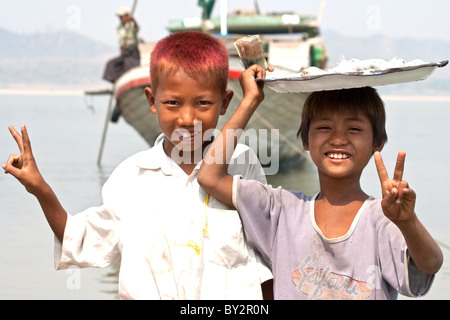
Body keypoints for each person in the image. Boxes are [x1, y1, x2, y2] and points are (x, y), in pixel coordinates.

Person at [2, 32, 273, 300]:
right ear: (151, 101)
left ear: (225, 103)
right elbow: (82, 241)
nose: (187, 118)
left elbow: (267, 254)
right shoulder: (131, 178)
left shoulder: (242, 162)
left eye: (203, 103)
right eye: (172, 103)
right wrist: (40, 189)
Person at [198, 64, 443, 300]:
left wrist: (407, 221)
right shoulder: (281, 210)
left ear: (376, 143)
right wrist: (250, 100)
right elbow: (210, 175)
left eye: (354, 129)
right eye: (324, 127)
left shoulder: (383, 218)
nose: (338, 139)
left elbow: (430, 265)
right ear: (306, 140)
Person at [103, 6, 141, 83]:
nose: (120, 19)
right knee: (111, 65)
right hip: (124, 51)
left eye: (122, 17)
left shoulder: (131, 25)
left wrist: (133, 20)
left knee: (129, 67)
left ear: (127, 16)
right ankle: (117, 83)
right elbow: (121, 41)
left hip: (132, 52)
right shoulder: (119, 27)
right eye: (120, 17)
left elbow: (136, 29)